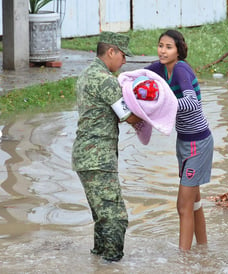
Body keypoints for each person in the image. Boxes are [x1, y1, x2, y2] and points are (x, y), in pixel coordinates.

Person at [72, 31, 142, 262]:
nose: (124, 61)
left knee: (101, 217)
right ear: (111, 51)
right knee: (115, 217)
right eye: (122, 56)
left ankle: (98, 261)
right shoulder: (105, 80)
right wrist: (158, 111)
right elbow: (129, 117)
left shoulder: (85, 75)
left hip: (84, 156)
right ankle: (112, 264)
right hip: (99, 158)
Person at [145, 29, 214, 251]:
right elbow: (139, 78)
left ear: (178, 50)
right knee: (194, 204)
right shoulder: (160, 68)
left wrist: (163, 107)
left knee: (182, 206)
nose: (163, 51)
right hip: (183, 143)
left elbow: (192, 103)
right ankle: (203, 250)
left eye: (168, 47)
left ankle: (183, 261)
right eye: (160, 46)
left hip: (198, 144)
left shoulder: (181, 70)